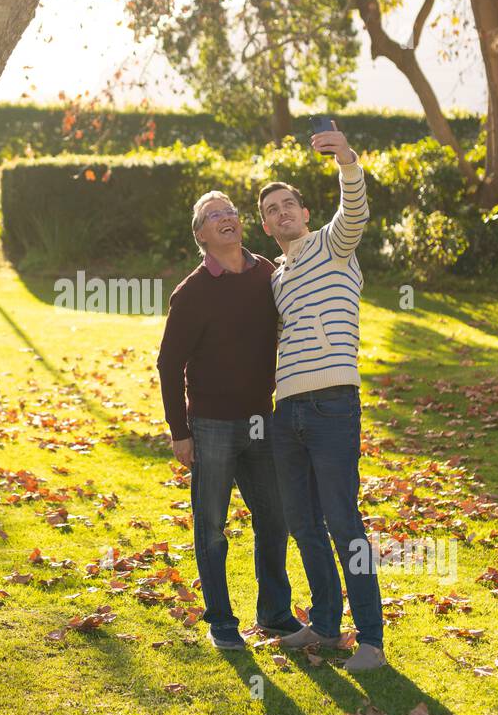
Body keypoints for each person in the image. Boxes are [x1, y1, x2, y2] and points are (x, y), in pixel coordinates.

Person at [259, 123, 386, 672]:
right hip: (287, 411)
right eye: (271, 210)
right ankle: (328, 627)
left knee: (342, 520)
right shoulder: (277, 277)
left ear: (306, 214)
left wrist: (347, 161)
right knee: (304, 522)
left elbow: (354, 210)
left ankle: (373, 643)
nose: (282, 212)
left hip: (333, 404)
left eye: (289, 204)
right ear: (265, 227)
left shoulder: (333, 246)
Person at [156, 191, 303, 650]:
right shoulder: (192, 292)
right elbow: (168, 364)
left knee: (274, 519)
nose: (226, 218)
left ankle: (276, 615)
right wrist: (180, 432)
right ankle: (221, 621)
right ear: (201, 235)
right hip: (212, 425)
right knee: (211, 525)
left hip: (262, 420)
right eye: (213, 215)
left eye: (231, 212)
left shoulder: (268, 274)